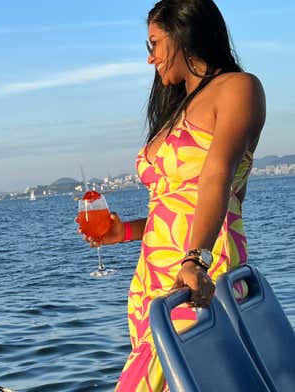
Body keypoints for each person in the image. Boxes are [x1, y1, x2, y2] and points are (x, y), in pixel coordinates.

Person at [78, 0, 266, 390]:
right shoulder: (177, 109)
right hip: (155, 278)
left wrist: (196, 259)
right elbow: (176, 206)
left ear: (185, 34)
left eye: (154, 44)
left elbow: (218, 178)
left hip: (199, 271)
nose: (151, 59)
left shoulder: (237, 88)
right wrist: (123, 232)